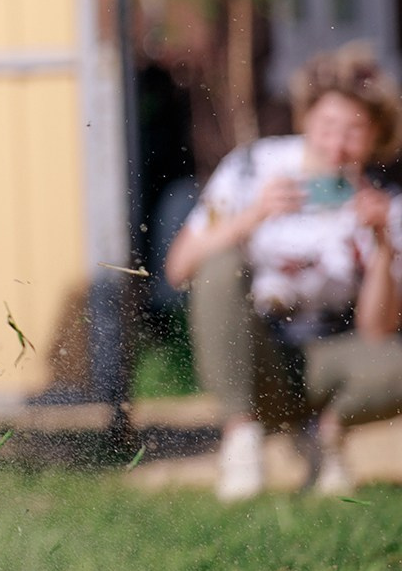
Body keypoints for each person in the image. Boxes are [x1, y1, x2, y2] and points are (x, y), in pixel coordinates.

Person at [162, 43, 402, 501]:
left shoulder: (384, 205)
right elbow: (179, 269)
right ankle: (241, 439)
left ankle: (324, 436)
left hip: (331, 359)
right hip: (256, 354)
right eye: (328, 126)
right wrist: (251, 217)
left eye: (354, 132)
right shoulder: (252, 169)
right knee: (221, 266)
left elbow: (378, 330)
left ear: (375, 138)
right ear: (306, 118)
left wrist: (383, 246)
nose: (337, 145)